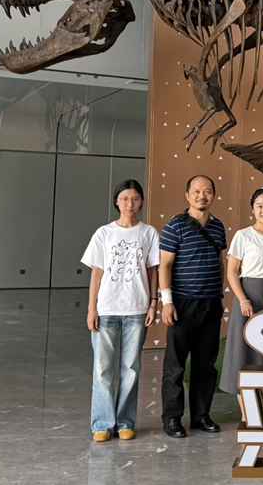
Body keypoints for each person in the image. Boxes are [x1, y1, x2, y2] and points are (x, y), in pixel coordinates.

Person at [82, 179, 159, 442]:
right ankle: (102, 424)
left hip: (137, 308)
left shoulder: (149, 233)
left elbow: (153, 271)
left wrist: (153, 304)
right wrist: (91, 308)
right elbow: (96, 274)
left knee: (131, 368)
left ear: (142, 201)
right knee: (102, 369)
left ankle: (126, 422)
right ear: (117, 201)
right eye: (125, 199)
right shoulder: (104, 233)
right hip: (106, 309)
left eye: (135, 198)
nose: (130, 203)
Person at [158, 175, 227, 439]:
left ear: (213, 196)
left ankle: (201, 415)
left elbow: (219, 261)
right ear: (187, 195)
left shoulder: (218, 226)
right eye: (196, 191)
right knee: (175, 365)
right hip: (182, 304)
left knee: (205, 364)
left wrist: (219, 294)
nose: (202, 196)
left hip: (211, 303)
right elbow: (164, 265)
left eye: (207, 191)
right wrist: (167, 302)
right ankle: (172, 418)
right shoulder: (174, 226)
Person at [219, 188, 263, 420]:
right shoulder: (243, 236)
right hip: (248, 298)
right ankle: (248, 414)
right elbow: (232, 272)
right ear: (252, 209)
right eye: (259, 206)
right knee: (244, 354)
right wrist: (243, 299)